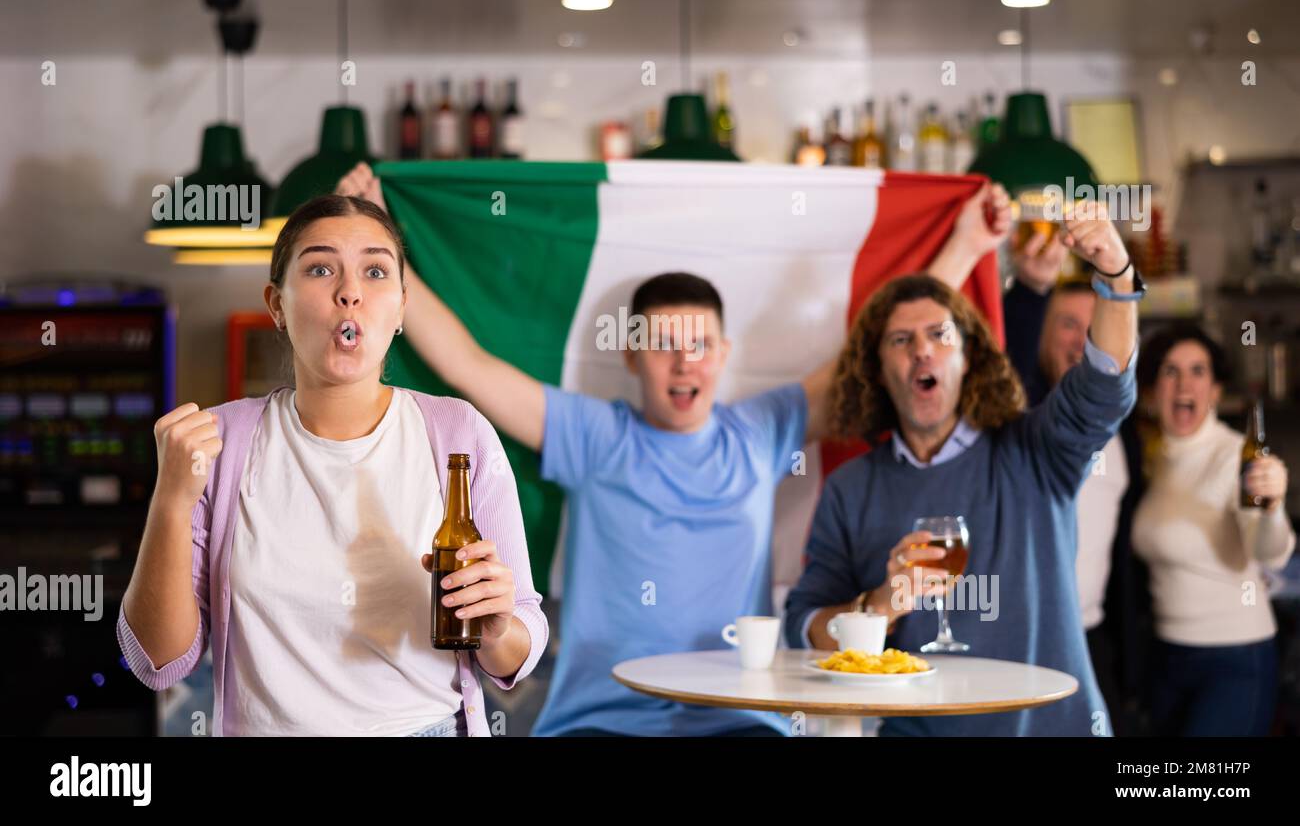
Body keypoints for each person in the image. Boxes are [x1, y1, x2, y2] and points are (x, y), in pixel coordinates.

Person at [336, 162, 1013, 737]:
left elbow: (883, 346)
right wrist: (382, 241)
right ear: (632, 355)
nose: (682, 363)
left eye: (699, 346)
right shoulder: (594, 434)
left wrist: (964, 241)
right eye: (663, 345)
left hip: (740, 718)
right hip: (600, 718)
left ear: (722, 356)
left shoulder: (761, 429)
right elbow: (466, 365)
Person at [116, 195, 547, 736]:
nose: (350, 292)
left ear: (401, 308)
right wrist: (171, 501)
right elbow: (157, 662)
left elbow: (517, 649)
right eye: (321, 269)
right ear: (277, 304)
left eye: (375, 271)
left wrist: (496, 627)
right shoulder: (219, 442)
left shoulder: (457, 434)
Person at [784, 203, 1140, 736]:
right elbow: (804, 626)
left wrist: (1115, 275)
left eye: (940, 336)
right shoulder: (851, 488)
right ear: (878, 371)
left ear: (969, 356)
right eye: (901, 341)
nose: (922, 352)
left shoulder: (1037, 449)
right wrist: (879, 605)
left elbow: (1104, 384)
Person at [996, 232, 1147, 735]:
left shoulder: (1124, 428)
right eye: (1066, 324)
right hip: (1024, 641)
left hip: (1093, 636)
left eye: (1093, 326)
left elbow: (1124, 554)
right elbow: (1007, 358)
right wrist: (1033, 289)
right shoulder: (1018, 413)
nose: (1083, 341)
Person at [1132, 323, 1294, 736]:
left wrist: (1272, 508)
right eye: (1170, 371)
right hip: (1167, 657)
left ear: (1217, 391)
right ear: (1152, 392)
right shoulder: (1155, 459)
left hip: (1234, 657)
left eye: (1198, 371)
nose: (1184, 383)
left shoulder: (1233, 455)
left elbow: (1267, 550)